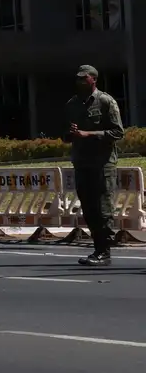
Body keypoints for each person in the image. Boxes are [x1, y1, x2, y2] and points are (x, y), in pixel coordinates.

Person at [66, 64, 125, 267]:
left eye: (85, 78)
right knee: (89, 208)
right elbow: (66, 136)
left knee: (103, 208)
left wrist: (88, 134)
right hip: (82, 163)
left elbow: (118, 132)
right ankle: (97, 248)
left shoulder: (105, 101)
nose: (81, 81)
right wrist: (70, 133)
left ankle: (104, 250)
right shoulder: (72, 104)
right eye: (78, 78)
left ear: (94, 79)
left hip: (102, 163)